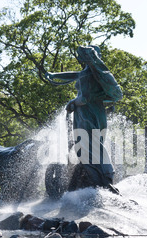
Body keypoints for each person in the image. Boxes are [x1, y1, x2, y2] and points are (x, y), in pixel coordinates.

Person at [45, 45, 123, 190]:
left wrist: (72, 102)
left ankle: (102, 178)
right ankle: (101, 177)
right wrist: (54, 75)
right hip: (93, 113)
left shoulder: (90, 74)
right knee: (93, 145)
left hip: (88, 113)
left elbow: (85, 98)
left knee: (89, 145)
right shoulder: (91, 73)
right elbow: (74, 75)